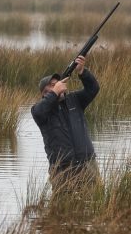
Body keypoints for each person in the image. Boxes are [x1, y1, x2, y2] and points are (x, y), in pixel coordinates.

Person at [31, 55, 100, 196]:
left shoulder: (75, 100)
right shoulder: (40, 110)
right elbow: (39, 111)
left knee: (96, 203)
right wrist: (55, 92)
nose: (58, 86)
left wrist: (82, 72)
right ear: (44, 93)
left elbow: (93, 89)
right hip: (61, 169)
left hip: (87, 163)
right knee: (61, 210)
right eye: (52, 85)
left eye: (58, 83)